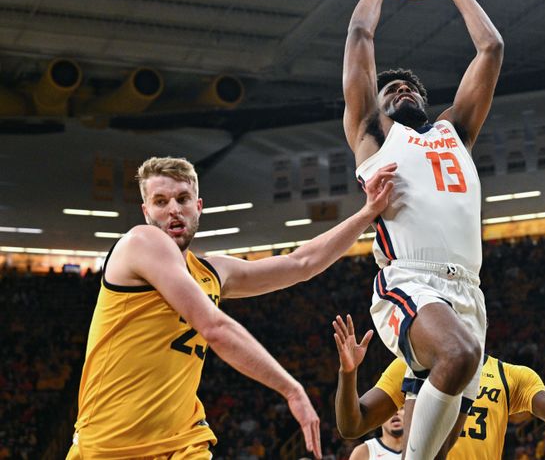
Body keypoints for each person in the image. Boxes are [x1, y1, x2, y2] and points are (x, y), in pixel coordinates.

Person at [67, 156, 396, 460]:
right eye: (160, 201)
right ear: (146, 212)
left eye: (182, 199)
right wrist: (291, 389)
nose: (173, 210)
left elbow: (301, 263)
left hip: (183, 443)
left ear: (198, 207)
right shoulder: (140, 242)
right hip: (111, 444)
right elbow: (215, 328)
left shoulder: (212, 272)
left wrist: (366, 213)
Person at [342, 0, 503, 459]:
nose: (402, 91)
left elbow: (491, 49)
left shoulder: (453, 131)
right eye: (390, 90)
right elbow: (360, 36)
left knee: (439, 443)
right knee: (458, 355)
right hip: (408, 280)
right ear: (376, 107)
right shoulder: (372, 135)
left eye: (410, 88)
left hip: (468, 293)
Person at [332, 314, 545, 459]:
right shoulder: (410, 366)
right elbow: (351, 425)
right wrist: (348, 372)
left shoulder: (510, 375)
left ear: (482, 322)